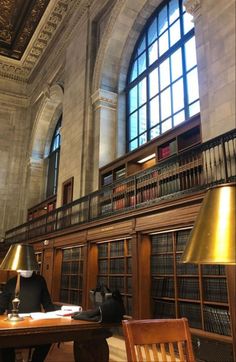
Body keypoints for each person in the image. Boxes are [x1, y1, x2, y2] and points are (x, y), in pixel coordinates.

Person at [0, 270, 55, 362]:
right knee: (3, 340)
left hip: (34, 328)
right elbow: (1, 306)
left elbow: (48, 304)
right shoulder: (11, 282)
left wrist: (56, 317)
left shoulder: (40, 281)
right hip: (13, 329)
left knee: (49, 337)